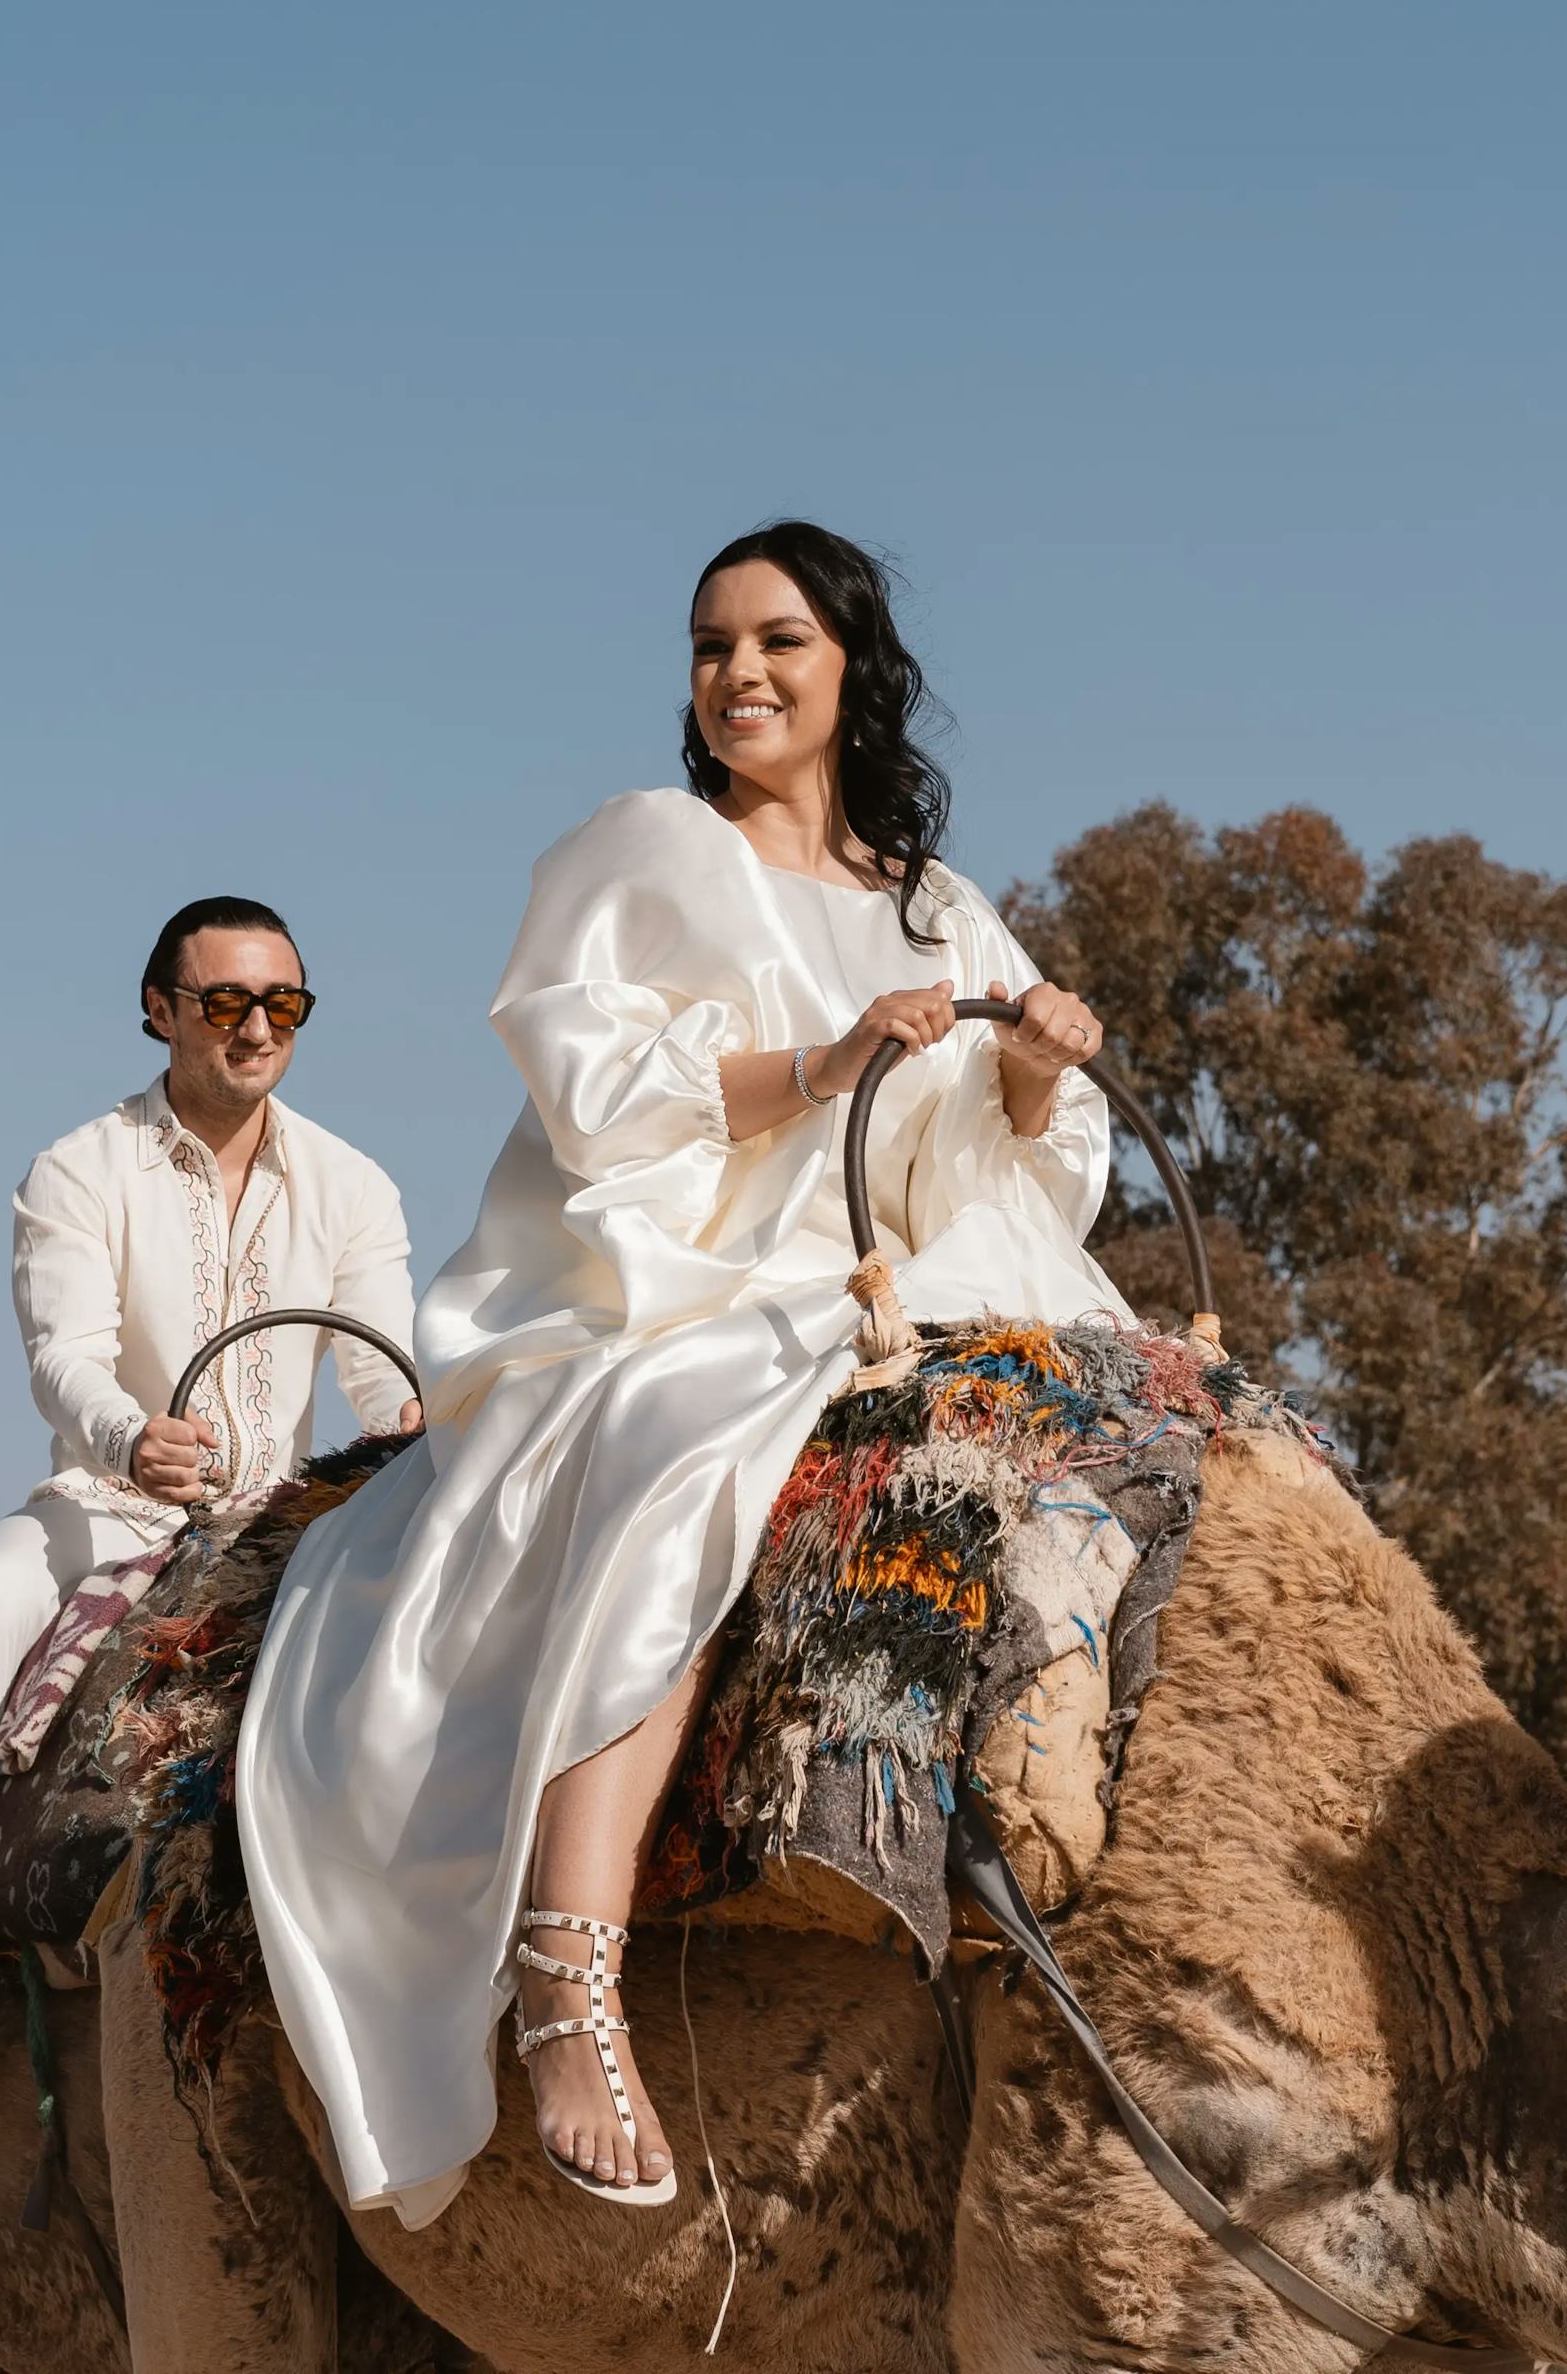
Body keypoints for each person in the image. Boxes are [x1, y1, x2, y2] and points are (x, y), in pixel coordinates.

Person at [238, 523, 1124, 2222]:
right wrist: (827, 1056)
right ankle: (571, 1960)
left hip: (911, 1277)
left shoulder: (949, 912)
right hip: (672, 1284)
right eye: (713, 646)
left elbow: (1018, 1175)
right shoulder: (649, 851)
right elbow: (604, 1109)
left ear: (853, 663)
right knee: (686, 1435)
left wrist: (1032, 1070)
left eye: (779, 641)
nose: (741, 675)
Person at [0, 895, 421, 2121]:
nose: (256, 1028)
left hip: (287, 1519)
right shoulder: (78, 1167)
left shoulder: (354, 1183)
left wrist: (425, 1422)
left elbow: (382, 1366)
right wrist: (131, 1436)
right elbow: (65, 1352)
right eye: (225, 1002)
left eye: (284, 1004)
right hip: (112, 1500)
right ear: (160, 1011)